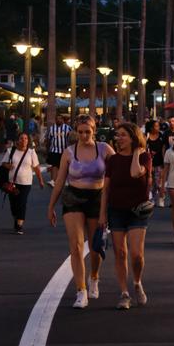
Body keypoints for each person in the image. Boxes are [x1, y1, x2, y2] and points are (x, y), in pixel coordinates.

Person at [47, 115, 114, 308]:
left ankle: (94, 277)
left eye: (88, 131)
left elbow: (118, 169)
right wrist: (51, 205)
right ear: (76, 131)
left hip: (96, 198)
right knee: (76, 246)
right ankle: (80, 290)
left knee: (95, 247)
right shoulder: (68, 152)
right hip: (73, 198)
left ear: (94, 130)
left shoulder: (104, 149)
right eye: (80, 131)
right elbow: (60, 180)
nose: (84, 135)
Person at [99, 121, 153, 309]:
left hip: (137, 210)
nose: (118, 138)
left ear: (133, 137)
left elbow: (135, 172)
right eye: (117, 135)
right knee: (120, 252)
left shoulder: (145, 157)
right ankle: (124, 293)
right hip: (116, 210)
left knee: (137, 255)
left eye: (123, 135)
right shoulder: (112, 160)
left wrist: (137, 152)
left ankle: (137, 283)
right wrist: (102, 214)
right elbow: (106, 189)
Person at [1, 131, 45, 234]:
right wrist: (8, 166)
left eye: (25, 138)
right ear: (17, 140)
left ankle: (20, 225)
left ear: (28, 140)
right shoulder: (10, 151)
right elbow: (3, 163)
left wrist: (40, 181)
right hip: (12, 183)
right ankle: (16, 219)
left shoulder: (31, 152)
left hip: (26, 183)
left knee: (22, 202)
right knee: (14, 205)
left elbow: (36, 168)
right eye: (21, 138)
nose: (24, 140)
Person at [146, 118, 168, 205]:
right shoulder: (147, 136)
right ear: (151, 128)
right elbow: (144, 147)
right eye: (156, 126)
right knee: (151, 183)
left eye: (158, 126)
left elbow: (164, 148)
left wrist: (164, 162)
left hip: (159, 162)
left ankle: (161, 198)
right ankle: (152, 199)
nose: (158, 127)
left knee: (159, 182)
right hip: (149, 162)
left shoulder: (162, 136)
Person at [45, 114, 71, 185]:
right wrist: (47, 150)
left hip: (65, 150)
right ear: (55, 120)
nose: (58, 120)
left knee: (64, 166)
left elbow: (71, 139)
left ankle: (64, 180)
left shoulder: (67, 128)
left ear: (63, 120)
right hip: (54, 150)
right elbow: (48, 139)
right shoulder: (52, 128)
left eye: (60, 119)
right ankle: (53, 180)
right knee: (54, 165)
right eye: (57, 119)